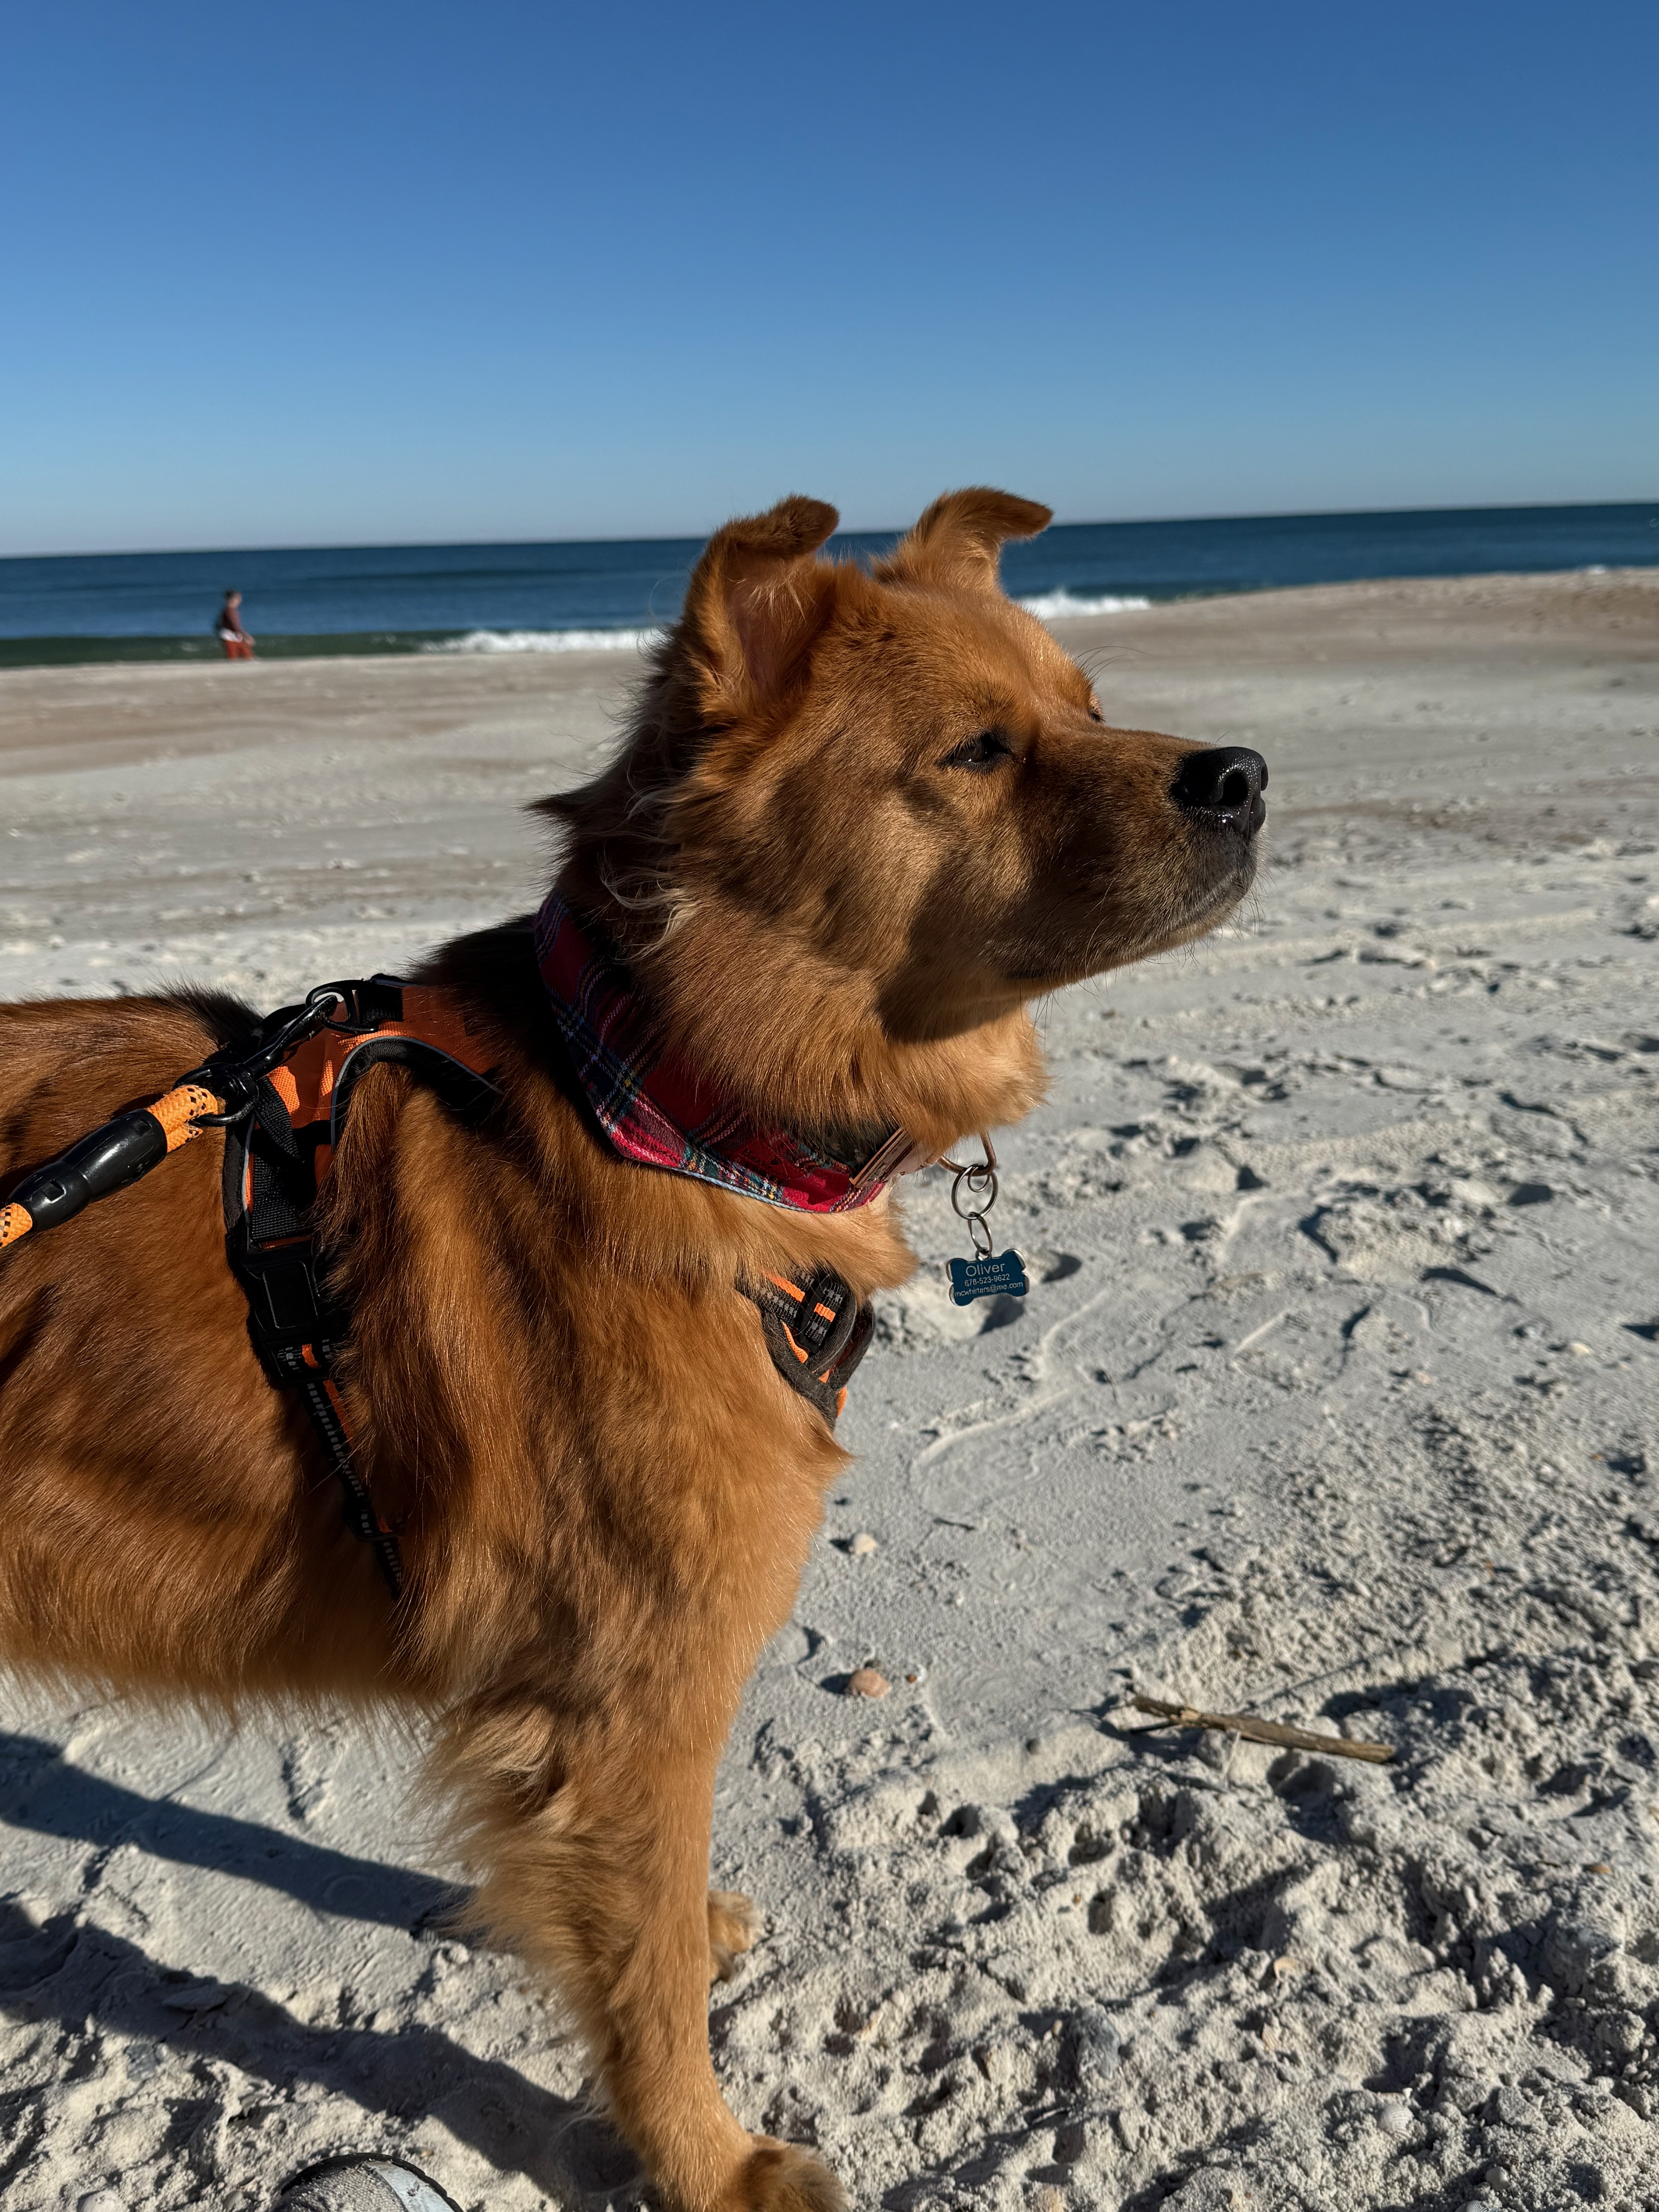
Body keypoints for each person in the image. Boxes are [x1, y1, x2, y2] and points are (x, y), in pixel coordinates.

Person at [215, 590, 255, 659]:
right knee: (235, 657)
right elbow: (235, 626)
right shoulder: (229, 611)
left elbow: (218, 625)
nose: (240, 600)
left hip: (234, 636)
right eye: (239, 598)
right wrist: (246, 636)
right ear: (233, 599)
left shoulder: (230, 610)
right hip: (229, 637)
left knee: (247, 656)